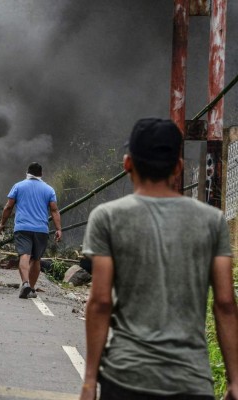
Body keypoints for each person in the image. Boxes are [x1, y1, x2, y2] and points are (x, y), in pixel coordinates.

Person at [80, 118, 238, 400]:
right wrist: (234, 380)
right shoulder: (212, 221)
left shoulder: (107, 217)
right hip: (190, 382)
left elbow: (101, 302)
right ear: (178, 168)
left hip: (126, 378)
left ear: (128, 164)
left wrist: (90, 381)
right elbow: (225, 304)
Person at [0, 162, 62, 298]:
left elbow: (8, 207)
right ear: (41, 174)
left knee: (24, 255)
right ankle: (31, 289)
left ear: (27, 173)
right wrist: (58, 229)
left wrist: (2, 223)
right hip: (41, 229)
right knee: (36, 259)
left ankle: (25, 283)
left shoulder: (18, 186)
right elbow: (54, 210)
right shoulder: (49, 189)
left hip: (22, 228)